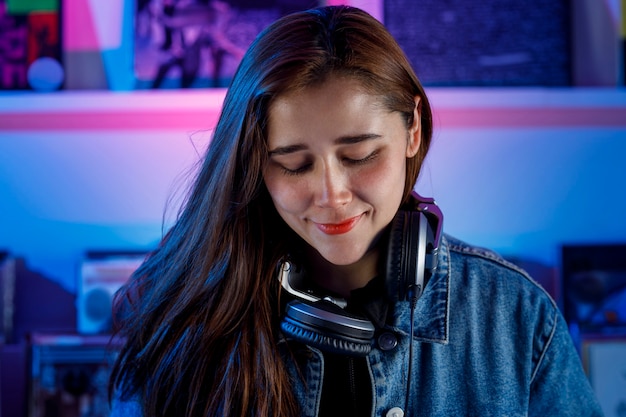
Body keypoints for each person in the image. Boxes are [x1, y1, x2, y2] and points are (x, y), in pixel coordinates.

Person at [109, 5, 604, 417]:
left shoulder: (516, 317)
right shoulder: (182, 316)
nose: (331, 195)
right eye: (294, 164)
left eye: (360, 156)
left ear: (412, 130)